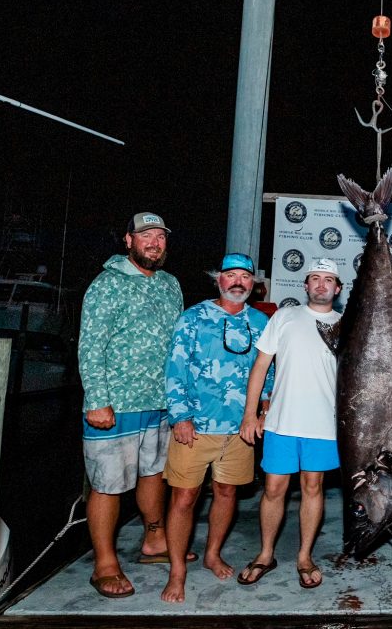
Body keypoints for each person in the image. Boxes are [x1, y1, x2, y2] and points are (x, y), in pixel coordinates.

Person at [78, 211, 187, 599]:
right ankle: (104, 563)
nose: (154, 242)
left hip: (159, 403)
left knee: (153, 474)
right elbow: (91, 346)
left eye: (160, 236)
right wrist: (97, 400)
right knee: (107, 484)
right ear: (128, 240)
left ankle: (154, 540)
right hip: (116, 404)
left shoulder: (170, 284)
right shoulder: (106, 285)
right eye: (146, 235)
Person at [160, 253, 274, 603]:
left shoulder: (261, 321)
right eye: (230, 276)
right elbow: (175, 368)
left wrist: (265, 404)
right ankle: (177, 570)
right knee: (184, 498)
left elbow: (268, 371)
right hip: (195, 426)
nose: (237, 282)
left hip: (241, 429)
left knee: (226, 493)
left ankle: (212, 554)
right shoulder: (192, 318)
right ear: (219, 280)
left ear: (253, 284)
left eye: (244, 276)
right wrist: (180, 416)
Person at [237, 258, 343, 590]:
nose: (322, 285)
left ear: (338, 289)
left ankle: (304, 557)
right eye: (315, 278)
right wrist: (249, 414)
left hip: (324, 427)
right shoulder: (284, 317)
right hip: (281, 423)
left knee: (314, 488)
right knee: (273, 490)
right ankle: (266, 554)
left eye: (328, 280)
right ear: (306, 285)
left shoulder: (347, 324)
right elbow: (260, 367)